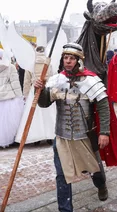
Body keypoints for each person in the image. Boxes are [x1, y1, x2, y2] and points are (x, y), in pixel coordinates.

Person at [34, 43, 110, 211]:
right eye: (65, 58)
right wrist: (38, 91)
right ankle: (65, 208)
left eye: (72, 58)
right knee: (62, 176)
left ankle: (101, 185)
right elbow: (44, 103)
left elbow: (104, 106)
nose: (68, 61)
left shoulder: (90, 79)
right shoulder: (56, 80)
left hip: (85, 135)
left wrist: (104, 132)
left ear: (78, 60)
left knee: (95, 169)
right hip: (62, 136)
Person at [15, 46, 56, 145]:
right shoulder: (49, 62)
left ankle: (36, 137)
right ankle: (50, 135)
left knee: (34, 115)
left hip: (34, 89)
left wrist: (26, 94)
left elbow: (27, 81)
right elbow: (53, 77)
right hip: (47, 89)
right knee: (48, 114)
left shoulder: (31, 63)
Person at [0, 49, 24, 147]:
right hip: (8, 97)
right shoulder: (10, 67)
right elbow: (15, 84)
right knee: (9, 123)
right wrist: (19, 96)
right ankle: (11, 140)